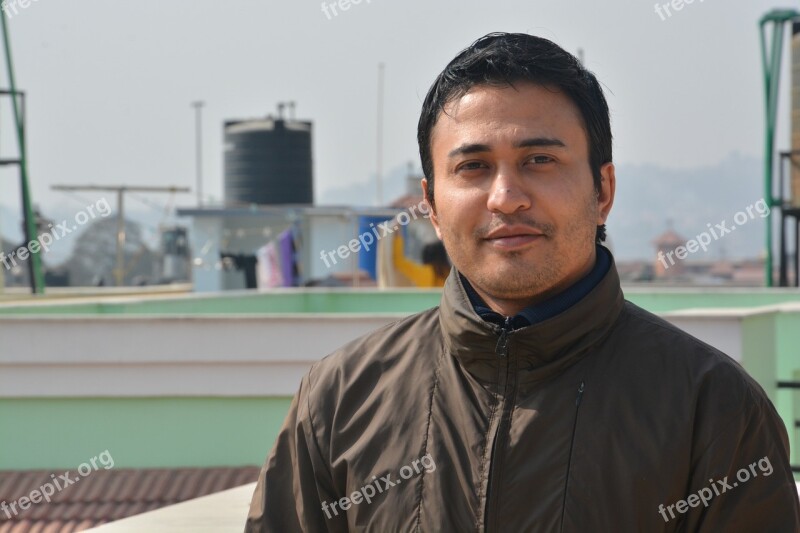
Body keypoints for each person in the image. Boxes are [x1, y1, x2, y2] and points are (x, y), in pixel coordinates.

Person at [245, 32, 800, 532]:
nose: (506, 197)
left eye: (538, 159)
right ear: (432, 205)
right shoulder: (342, 396)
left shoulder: (712, 406)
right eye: (473, 167)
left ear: (602, 190)